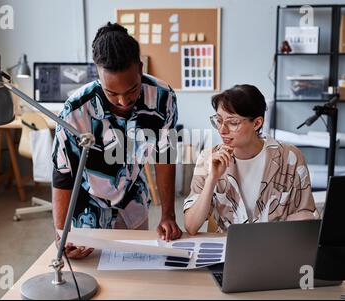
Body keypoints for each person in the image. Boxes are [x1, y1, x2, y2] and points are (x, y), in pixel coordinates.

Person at [52, 22, 182, 258]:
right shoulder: (76, 111)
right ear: (98, 75)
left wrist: (168, 215)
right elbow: (63, 175)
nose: (123, 101)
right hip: (88, 208)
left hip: (134, 201)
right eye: (112, 93)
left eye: (132, 89)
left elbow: (165, 156)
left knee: (135, 275)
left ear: (141, 68)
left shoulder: (163, 98)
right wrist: (63, 233)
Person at [184, 84, 318, 235]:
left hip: (277, 247)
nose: (222, 130)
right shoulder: (208, 158)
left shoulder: (290, 158)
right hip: (228, 250)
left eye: (233, 123)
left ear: (257, 123)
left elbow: (306, 218)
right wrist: (212, 178)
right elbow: (191, 225)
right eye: (219, 120)